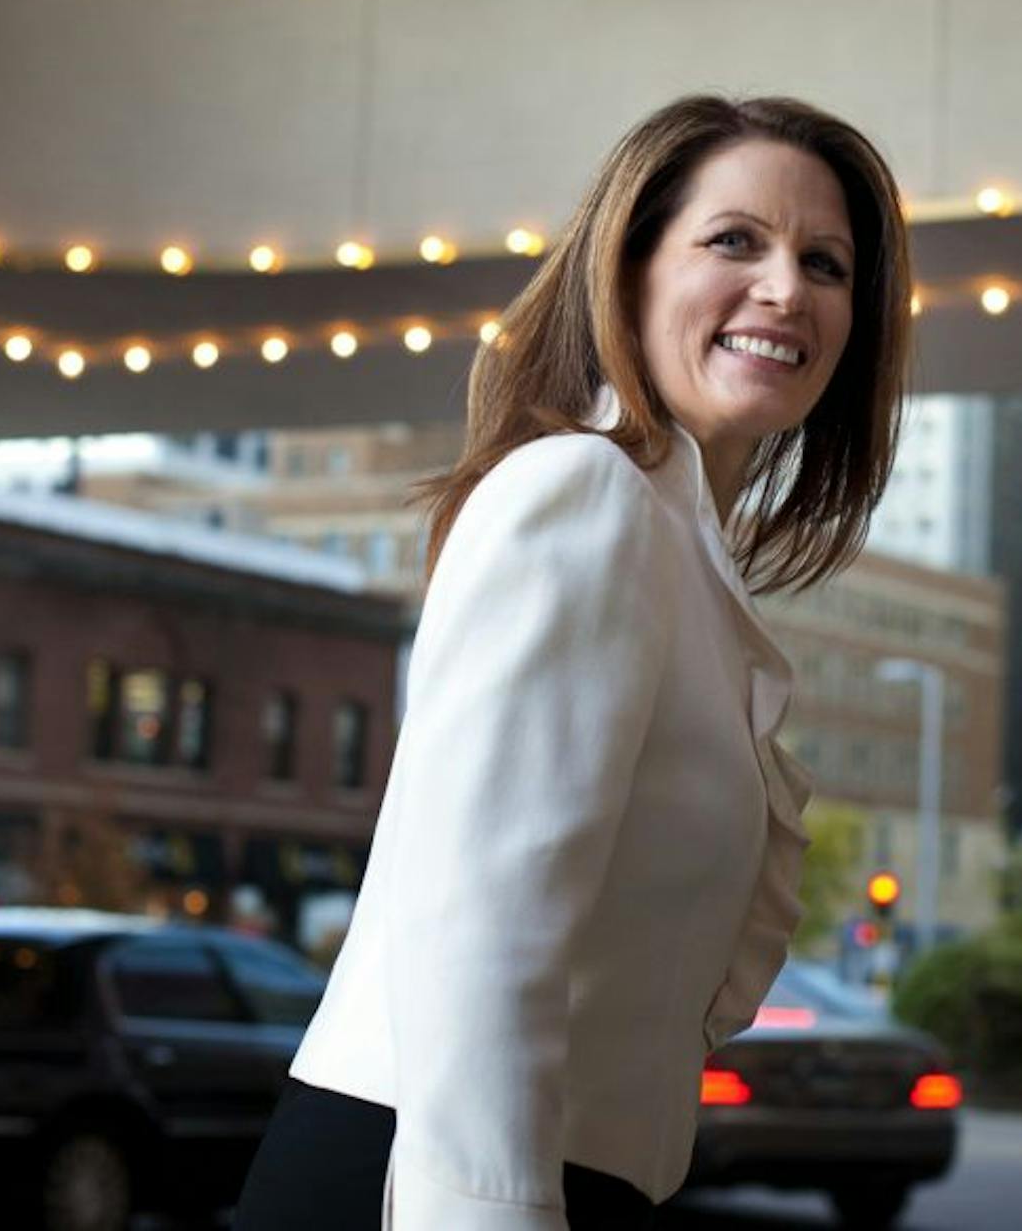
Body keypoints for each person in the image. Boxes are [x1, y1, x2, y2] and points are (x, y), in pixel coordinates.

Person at [234, 94, 913, 1230]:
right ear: (631, 267)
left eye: (827, 263)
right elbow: (477, 932)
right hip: (442, 1181)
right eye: (735, 240)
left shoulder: (683, 553)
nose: (787, 288)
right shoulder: (585, 494)